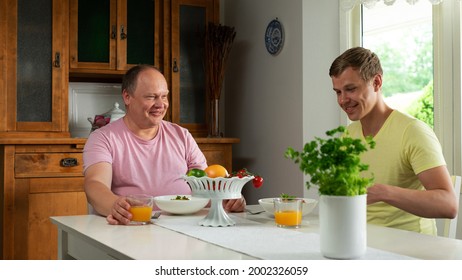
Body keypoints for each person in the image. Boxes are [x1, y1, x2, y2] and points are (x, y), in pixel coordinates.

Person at [83, 64, 246, 225]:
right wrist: (114, 205)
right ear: (127, 97)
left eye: (164, 96)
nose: (161, 104)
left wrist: (227, 198)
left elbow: (205, 183)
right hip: (132, 226)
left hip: (186, 226)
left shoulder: (182, 136)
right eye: (151, 97)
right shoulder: (103, 138)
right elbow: (95, 185)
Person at [329, 47, 458, 235]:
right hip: (361, 242)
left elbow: (448, 205)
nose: (342, 100)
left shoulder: (412, 131)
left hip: (410, 249)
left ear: (377, 82)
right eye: (337, 92)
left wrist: (383, 193)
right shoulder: (348, 135)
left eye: (350, 89)